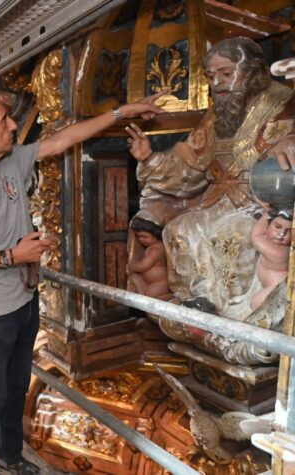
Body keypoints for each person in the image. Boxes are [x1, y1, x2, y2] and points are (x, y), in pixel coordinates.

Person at [0, 92, 163, 475]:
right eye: (4, 120)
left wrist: (121, 112)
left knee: (15, 387)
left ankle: (9, 456)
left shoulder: (11, 160)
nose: (13, 126)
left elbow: (62, 140)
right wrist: (12, 256)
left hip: (25, 298)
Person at [126, 37, 295, 327]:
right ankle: (201, 302)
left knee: (233, 234)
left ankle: (241, 318)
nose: (217, 82)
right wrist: (149, 159)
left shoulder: (285, 102)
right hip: (216, 199)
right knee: (180, 228)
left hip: (261, 204)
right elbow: (189, 161)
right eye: (211, 76)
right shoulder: (217, 114)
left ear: (253, 71)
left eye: (226, 74)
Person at [250, 208, 292, 309]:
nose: (281, 234)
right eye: (277, 227)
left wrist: (265, 216)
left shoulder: (278, 252)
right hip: (276, 285)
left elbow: (255, 236)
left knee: (256, 302)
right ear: (268, 226)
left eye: (289, 231)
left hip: (278, 288)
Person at [127, 217, 171, 301]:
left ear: (156, 235)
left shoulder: (156, 250)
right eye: (138, 236)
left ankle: (171, 298)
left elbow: (143, 266)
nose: (141, 239)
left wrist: (133, 265)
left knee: (150, 295)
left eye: (144, 237)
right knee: (135, 279)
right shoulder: (151, 246)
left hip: (161, 282)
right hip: (151, 282)